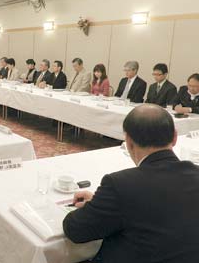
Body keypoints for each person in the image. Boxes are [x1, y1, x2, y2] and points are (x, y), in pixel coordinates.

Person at [63, 104, 199, 263]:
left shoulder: (120, 184)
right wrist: (102, 204)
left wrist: (94, 207)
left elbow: (75, 230)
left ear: (128, 141)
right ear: (175, 137)